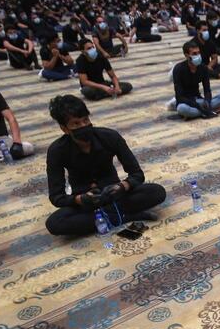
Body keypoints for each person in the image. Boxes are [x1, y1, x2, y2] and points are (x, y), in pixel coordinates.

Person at [45, 94, 166, 236]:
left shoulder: (110, 137)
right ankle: (126, 216)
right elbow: (56, 196)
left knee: (157, 191)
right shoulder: (57, 151)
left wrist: (123, 186)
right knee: (55, 223)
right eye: (76, 124)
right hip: (86, 202)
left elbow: (137, 174)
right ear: (64, 129)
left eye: (86, 120)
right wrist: (79, 199)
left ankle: (104, 218)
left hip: (114, 194)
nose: (83, 126)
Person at [172, 41, 220, 119]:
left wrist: (207, 101)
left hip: (198, 99)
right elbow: (179, 97)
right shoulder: (179, 69)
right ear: (187, 55)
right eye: (194, 54)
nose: (198, 56)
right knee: (181, 109)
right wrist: (198, 106)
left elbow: (207, 89)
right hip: (186, 102)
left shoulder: (203, 68)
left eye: (199, 53)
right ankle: (211, 111)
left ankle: (202, 112)